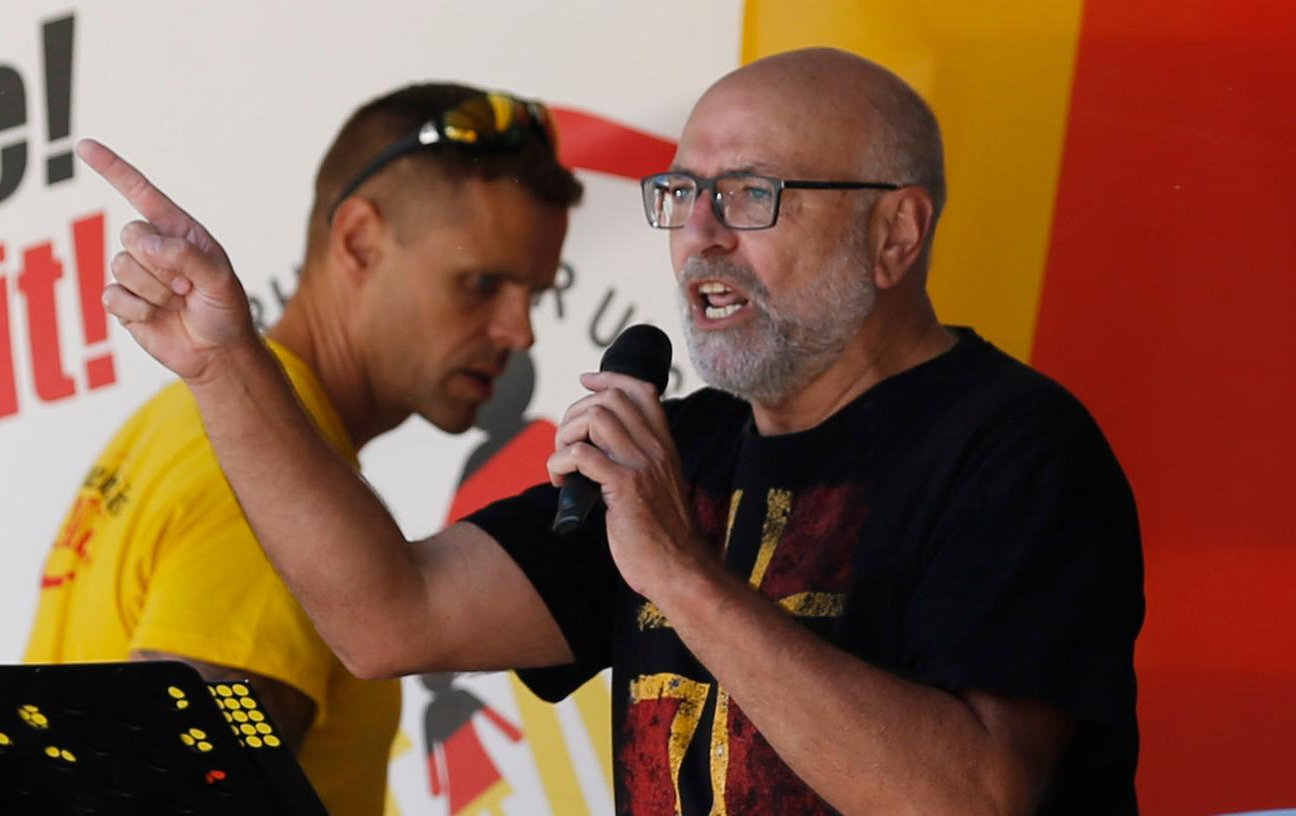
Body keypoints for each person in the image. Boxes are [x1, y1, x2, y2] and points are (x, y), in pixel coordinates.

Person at [82, 47, 1143, 815]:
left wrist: (681, 578)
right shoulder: (674, 449)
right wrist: (225, 362)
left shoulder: (1012, 450)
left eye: (750, 195)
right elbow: (384, 617)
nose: (700, 239)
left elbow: (971, 800)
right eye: (682, 195)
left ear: (894, 231)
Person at [23, 82, 581, 815]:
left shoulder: (187, 420)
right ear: (357, 240)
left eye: (532, 295)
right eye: (481, 284)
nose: (519, 331)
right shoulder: (264, 480)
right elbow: (179, 793)